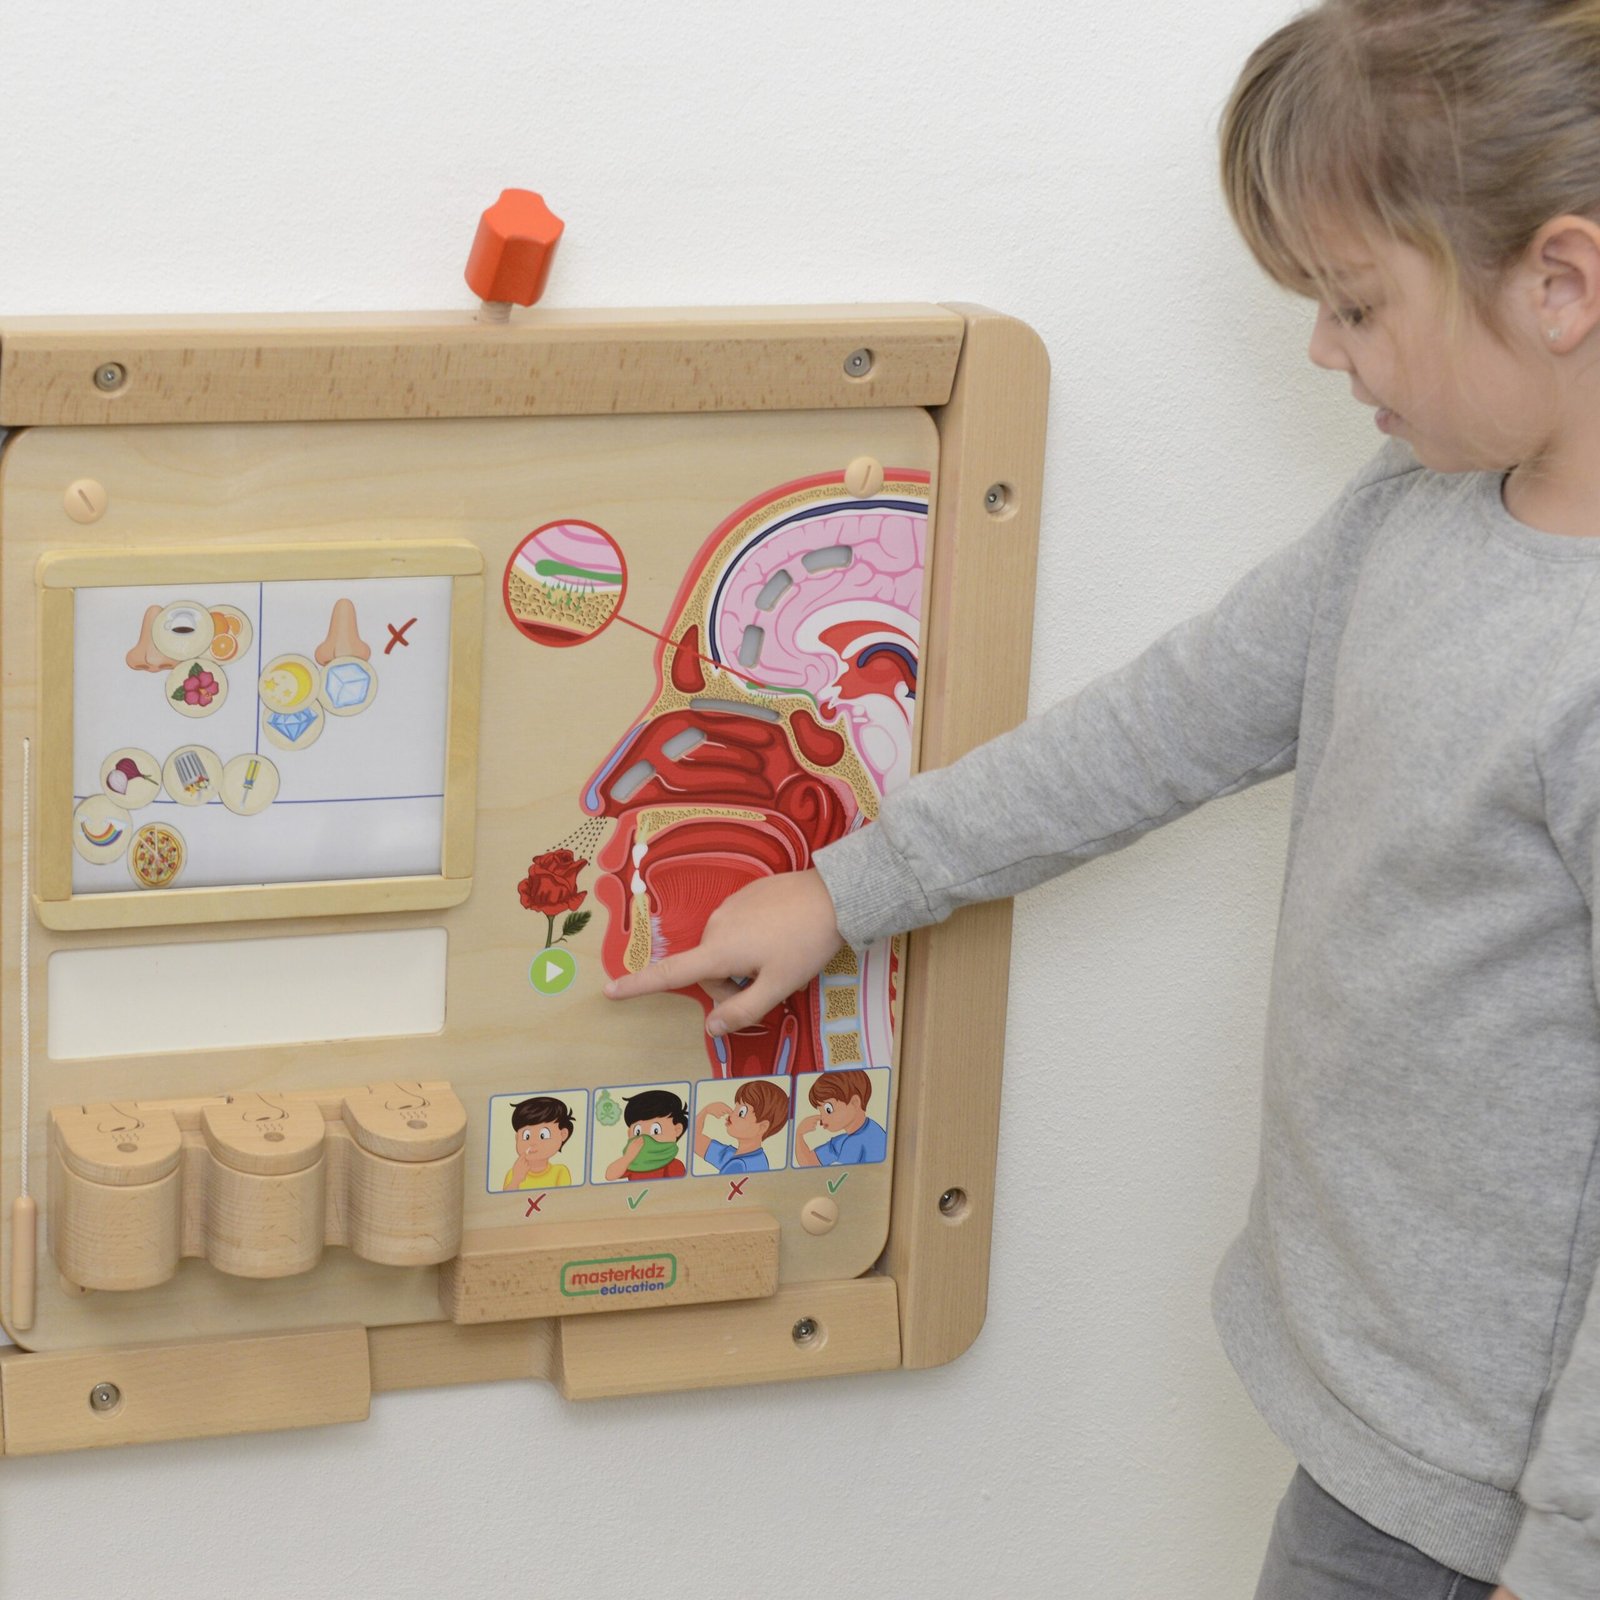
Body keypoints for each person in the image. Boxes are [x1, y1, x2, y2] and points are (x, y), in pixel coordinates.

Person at [606, 4, 1600, 1594]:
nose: (1322, 350)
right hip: (1366, 1418)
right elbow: (1163, 726)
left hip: (1506, 1509)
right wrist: (850, 886)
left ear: (1561, 283)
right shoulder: (1413, 512)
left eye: (1353, 303)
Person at [791, 1069, 887, 1168]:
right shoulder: (843, 1140)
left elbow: (841, 1176)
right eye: (820, 1112)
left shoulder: (858, 1141)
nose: (822, 1119)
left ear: (855, 1102)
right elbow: (809, 1162)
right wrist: (799, 1134)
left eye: (828, 1109)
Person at [695, 1078, 791, 1174]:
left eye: (741, 1112)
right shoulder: (736, 1156)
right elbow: (694, 1141)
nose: (731, 1114)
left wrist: (705, 1111)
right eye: (735, 1108)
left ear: (762, 1127)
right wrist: (706, 1110)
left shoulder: (741, 1165)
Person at [603, 1089, 688, 1182]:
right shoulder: (633, 1164)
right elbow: (610, 1176)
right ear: (629, 1133)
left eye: (656, 1130)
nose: (645, 1138)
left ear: (677, 1130)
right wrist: (628, 1157)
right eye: (637, 1132)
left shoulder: (673, 1165)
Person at [500, 1095, 575, 1190]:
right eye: (526, 1136)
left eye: (543, 1135)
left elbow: (564, 1197)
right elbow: (505, 1198)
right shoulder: (513, 1174)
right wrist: (516, 1180)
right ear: (517, 1138)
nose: (533, 1142)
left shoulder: (560, 1172)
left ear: (563, 1134)